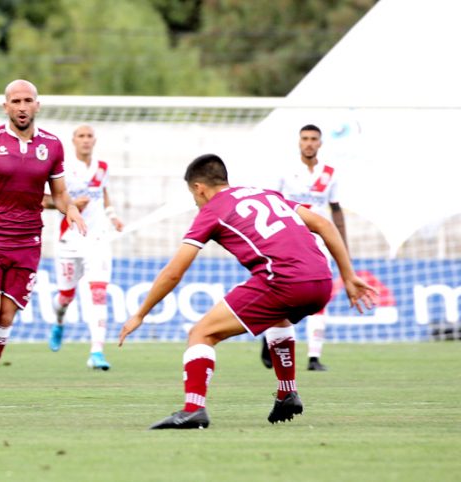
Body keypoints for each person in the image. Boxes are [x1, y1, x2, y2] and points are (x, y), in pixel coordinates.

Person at [118, 154, 376, 429]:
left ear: (199, 188)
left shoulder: (212, 210)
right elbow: (323, 224)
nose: (195, 202)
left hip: (283, 281)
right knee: (280, 316)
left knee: (201, 334)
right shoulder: (267, 195)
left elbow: (174, 272)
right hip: (322, 280)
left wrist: (141, 314)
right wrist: (348, 275)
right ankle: (287, 391)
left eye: (193, 195)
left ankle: (193, 409)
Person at [0, 79, 86, 382]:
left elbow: (59, 194)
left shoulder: (52, 145)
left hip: (28, 244)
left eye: (27, 101)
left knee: (5, 318)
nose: (22, 107)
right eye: (16, 102)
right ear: (5, 106)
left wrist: (71, 208)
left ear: (37, 104)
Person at [260, 124, 346, 372]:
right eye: (305, 138)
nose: (309, 143)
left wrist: (342, 245)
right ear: (299, 142)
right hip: (290, 241)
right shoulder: (285, 172)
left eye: (313, 139)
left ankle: (314, 357)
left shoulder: (331, 173)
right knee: (283, 292)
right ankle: (270, 336)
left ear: (320, 143)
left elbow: (336, 211)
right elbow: (270, 204)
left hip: (320, 243)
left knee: (319, 298)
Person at [43, 124, 124, 370]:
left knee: (98, 294)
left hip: (97, 240)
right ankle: (58, 322)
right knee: (65, 297)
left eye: (90, 136)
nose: (86, 140)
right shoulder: (62, 170)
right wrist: (70, 206)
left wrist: (112, 216)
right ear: (73, 140)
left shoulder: (102, 168)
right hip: (69, 240)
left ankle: (96, 352)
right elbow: (43, 200)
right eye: (81, 136)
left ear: (94, 140)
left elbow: (104, 193)